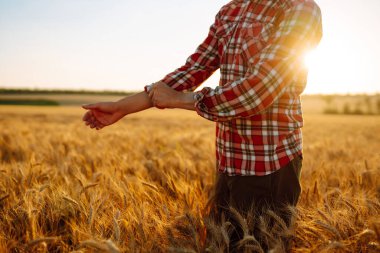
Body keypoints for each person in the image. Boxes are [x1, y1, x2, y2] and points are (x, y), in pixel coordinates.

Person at [82, 0, 322, 251]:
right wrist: (124, 106)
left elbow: (259, 90)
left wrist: (182, 100)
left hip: (270, 166)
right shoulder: (231, 10)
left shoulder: (299, 10)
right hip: (229, 161)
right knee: (222, 245)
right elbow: (195, 67)